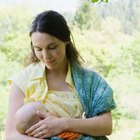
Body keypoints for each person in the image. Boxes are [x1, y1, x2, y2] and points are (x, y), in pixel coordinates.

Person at [5, 10, 116, 140]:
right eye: (38, 49)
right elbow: (12, 135)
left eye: (52, 47)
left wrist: (63, 124)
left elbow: (106, 126)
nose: (46, 56)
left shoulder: (91, 81)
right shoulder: (23, 81)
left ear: (66, 40)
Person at [15, 101, 80, 140]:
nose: (51, 111)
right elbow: (78, 136)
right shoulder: (60, 133)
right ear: (42, 121)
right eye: (47, 111)